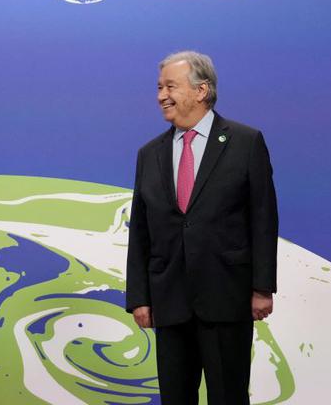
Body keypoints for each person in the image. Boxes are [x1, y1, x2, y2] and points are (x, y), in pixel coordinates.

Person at [125, 50, 278, 405]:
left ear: (201, 90)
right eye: (159, 87)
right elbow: (141, 231)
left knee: (228, 396)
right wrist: (139, 296)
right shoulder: (149, 153)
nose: (161, 95)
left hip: (227, 297)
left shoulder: (245, 142)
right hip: (169, 301)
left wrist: (262, 287)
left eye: (170, 86)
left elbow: (263, 218)